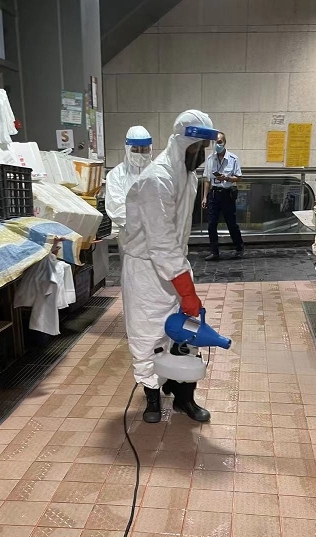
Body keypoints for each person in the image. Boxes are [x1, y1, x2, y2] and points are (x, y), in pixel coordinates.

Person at [121, 109, 219, 424]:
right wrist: (187, 291)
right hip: (146, 272)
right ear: (181, 142)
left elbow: (173, 241)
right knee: (148, 337)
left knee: (185, 335)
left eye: (204, 148)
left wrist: (183, 285)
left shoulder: (187, 177)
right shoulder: (156, 179)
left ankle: (183, 397)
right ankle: (152, 398)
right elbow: (160, 242)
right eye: (197, 147)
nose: (201, 155)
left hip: (173, 267)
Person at [202, 131, 244, 261]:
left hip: (227, 194)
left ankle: (239, 248)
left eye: (219, 142)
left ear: (224, 142)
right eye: (215, 142)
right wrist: (204, 197)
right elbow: (207, 179)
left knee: (231, 224)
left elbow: (239, 178)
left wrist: (227, 178)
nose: (217, 144)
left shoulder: (233, 158)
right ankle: (214, 252)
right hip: (214, 194)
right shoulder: (210, 159)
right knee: (211, 224)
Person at [104, 125, 153, 238]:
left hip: (156, 234)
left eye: (144, 149)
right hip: (128, 235)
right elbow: (117, 208)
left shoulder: (158, 173)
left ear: (150, 149)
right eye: (135, 150)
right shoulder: (116, 175)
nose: (140, 154)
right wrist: (141, 226)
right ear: (127, 149)